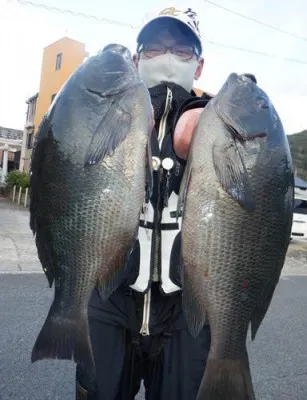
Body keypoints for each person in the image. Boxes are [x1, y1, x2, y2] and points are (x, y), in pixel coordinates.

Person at [76, 6, 214, 400]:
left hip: (188, 312)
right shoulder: (107, 113)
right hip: (109, 298)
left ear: (199, 66)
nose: (167, 57)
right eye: (154, 48)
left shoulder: (217, 123)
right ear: (136, 61)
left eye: (181, 49)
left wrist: (207, 133)